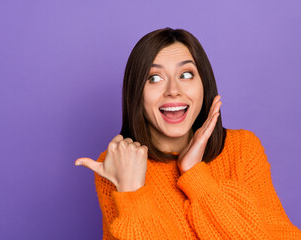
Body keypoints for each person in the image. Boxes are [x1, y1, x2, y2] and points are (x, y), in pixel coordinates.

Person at [75, 28, 301, 239]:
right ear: (137, 93)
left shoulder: (242, 148)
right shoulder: (118, 164)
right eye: (154, 78)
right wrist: (132, 193)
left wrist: (194, 174)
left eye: (186, 75)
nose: (173, 90)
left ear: (204, 84)